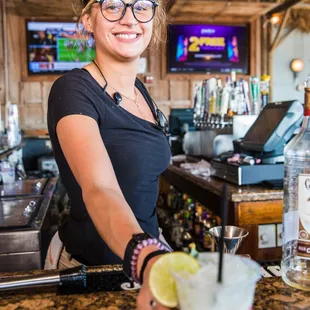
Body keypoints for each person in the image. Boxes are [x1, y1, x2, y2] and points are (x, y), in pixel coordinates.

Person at [47, 0, 171, 308]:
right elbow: (99, 189)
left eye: (141, 6)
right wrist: (148, 257)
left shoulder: (140, 91)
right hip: (94, 270)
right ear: (88, 19)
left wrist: (158, 251)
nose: (129, 18)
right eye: (113, 6)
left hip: (149, 257)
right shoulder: (73, 89)